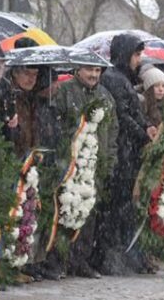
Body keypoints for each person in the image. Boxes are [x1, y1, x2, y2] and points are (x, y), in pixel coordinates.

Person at [98, 33, 156, 274]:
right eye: (136, 54)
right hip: (120, 152)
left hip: (128, 152)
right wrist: (144, 132)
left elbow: (133, 112)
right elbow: (122, 115)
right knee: (116, 207)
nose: (139, 60)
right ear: (125, 54)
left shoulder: (123, 78)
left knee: (124, 207)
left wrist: (146, 127)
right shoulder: (114, 78)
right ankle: (110, 256)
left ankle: (125, 253)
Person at [55, 62, 118, 278]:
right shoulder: (65, 92)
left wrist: (108, 162)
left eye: (97, 71)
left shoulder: (106, 97)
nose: (93, 74)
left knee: (88, 214)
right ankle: (61, 259)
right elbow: (59, 126)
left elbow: (112, 133)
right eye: (89, 70)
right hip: (71, 163)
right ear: (77, 70)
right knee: (67, 209)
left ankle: (80, 260)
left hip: (95, 165)